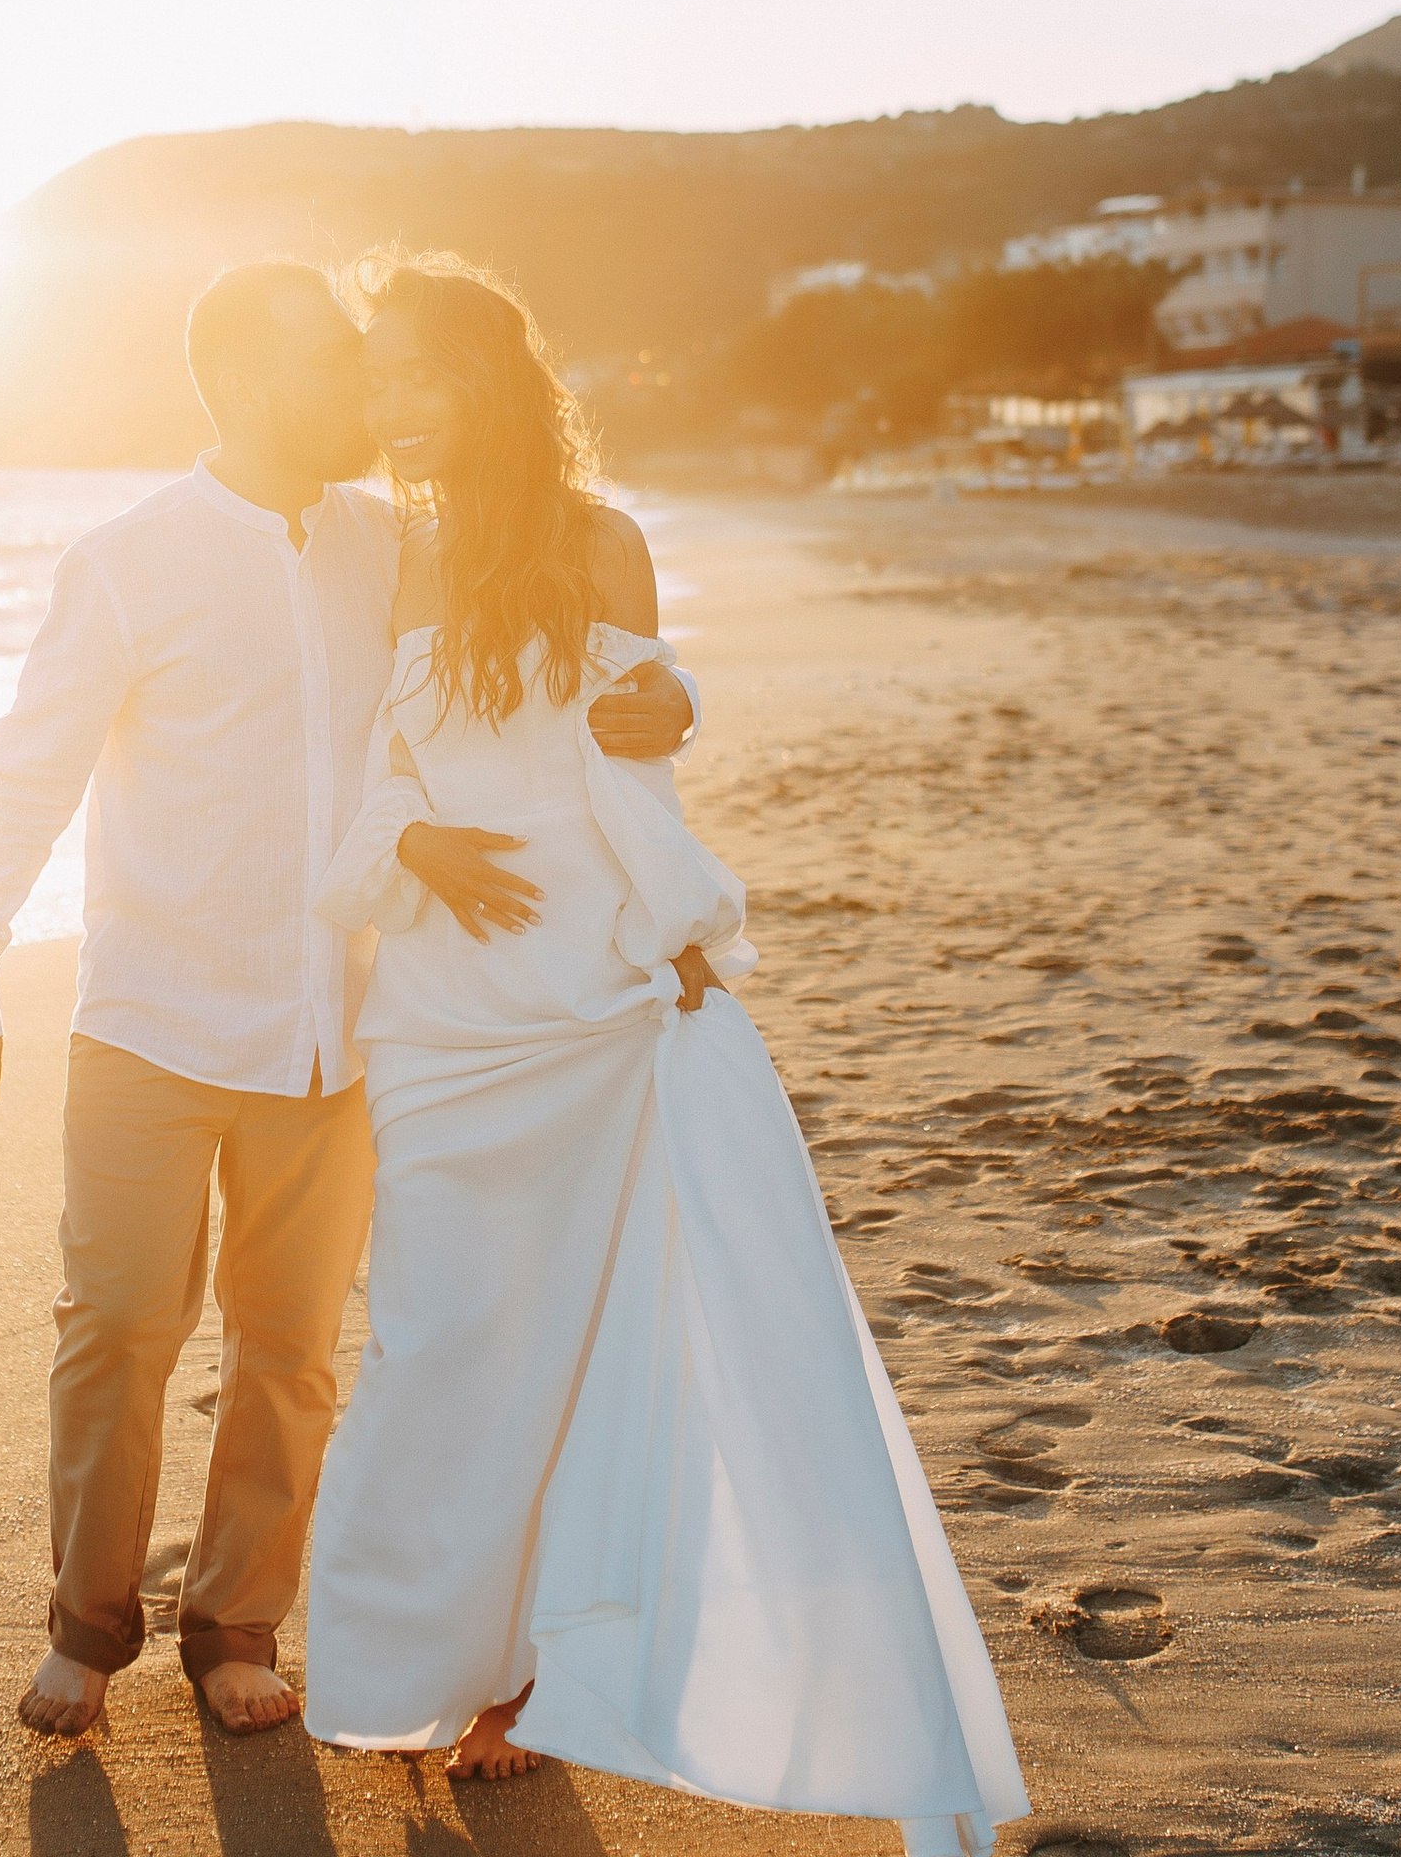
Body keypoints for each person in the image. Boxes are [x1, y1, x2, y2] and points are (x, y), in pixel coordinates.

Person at [302, 254, 1028, 1854]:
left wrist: (682, 902)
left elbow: (636, 760)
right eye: (374, 383)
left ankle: (523, 1682)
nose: (388, 407)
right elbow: (360, 780)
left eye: (414, 376)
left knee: (581, 1338)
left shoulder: (597, 540)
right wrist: (412, 843)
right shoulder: (382, 550)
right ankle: (414, 1658)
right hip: (438, 1015)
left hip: (586, 1000)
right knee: (437, 1338)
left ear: (488, 382)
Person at [0, 258, 701, 1739]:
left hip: (342, 1025)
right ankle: (89, 1627)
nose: (371, 385)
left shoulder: (396, 544)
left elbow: (563, 666)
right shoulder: (130, 559)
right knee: (120, 1325)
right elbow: (26, 774)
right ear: (255, 382)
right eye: (343, 360)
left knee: (291, 1349)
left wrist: (678, 700)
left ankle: (236, 1622)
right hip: (151, 1018)